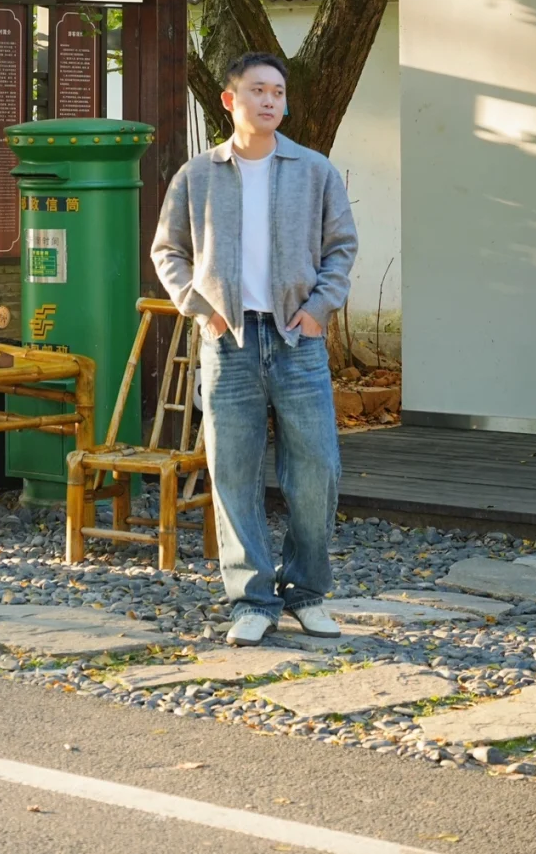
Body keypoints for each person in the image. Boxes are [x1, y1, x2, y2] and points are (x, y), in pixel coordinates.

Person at [151, 52, 357, 645]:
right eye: (257, 90)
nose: (269, 100)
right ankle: (252, 600)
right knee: (234, 474)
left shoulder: (314, 170)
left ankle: (307, 592)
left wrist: (317, 312)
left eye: (277, 92)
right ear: (229, 100)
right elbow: (168, 251)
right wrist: (203, 309)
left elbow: (341, 248)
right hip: (229, 342)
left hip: (297, 340)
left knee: (317, 470)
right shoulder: (197, 175)